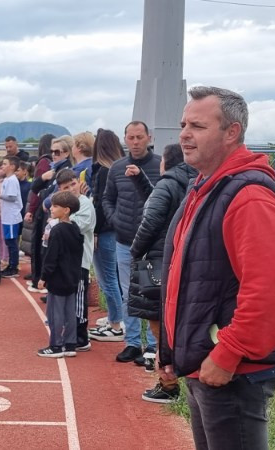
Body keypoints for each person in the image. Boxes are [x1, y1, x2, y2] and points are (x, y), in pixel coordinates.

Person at [157, 86, 275, 449]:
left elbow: (267, 293)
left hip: (232, 370)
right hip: (205, 363)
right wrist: (170, 349)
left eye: (197, 126)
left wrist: (228, 353)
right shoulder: (204, 188)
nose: (184, 134)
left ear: (232, 132)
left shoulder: (249, 197)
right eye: (183, 125)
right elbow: (184, 280)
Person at [127, 143, 197, 401]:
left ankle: (168, 383)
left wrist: (135, 250)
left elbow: (152, 219)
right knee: (177, 322)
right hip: (183, 259)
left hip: (157, 261)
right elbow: (160, 203)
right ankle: (178, 377)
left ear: (166, 162)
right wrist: (141, 181)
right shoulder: (193, 181)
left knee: (158, 323)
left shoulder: (167, 183)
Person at [101, 121, 161, 364]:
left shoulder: (159, 166)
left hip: (150, 244)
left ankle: (153, 345)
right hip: (124, 242)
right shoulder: (117, 168)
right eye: (131, 137)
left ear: (149, 138)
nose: (135, 142)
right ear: (125, 139)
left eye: (139, 137)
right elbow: (107, 199)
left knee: (150, 293)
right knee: (128, 293)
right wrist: (115, 220)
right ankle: (133, 343)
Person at [88, 129, 126, 342]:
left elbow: (102, 204)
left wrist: (94, 230)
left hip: (104, 231)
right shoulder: (118, 168)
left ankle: (116, 324)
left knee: (107, 278)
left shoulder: (103, 171)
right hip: (115, 229)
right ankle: (115, 317)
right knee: (111, 277)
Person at [37, 190, 84, 358]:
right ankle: (70, 344)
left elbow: (51, 257)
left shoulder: (56, 231)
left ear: (66, 210)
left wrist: (43, 277)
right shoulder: (75, 228)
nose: (51, 208)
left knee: (55, 314)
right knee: (70, 312)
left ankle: (55, 346)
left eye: (55, 206)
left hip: (57, 278)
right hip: (72, 277)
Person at [54, 169, 95, 352]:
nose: (71, 189)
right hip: (66, 261)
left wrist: (61, 219)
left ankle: (81, 336)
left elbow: (74, 227)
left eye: (73, 184)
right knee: (69, 298)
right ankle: (70, 332)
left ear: (79, 182)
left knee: (78, 299)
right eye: (66, 187)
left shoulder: (85, 204)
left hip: (80, 261)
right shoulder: (63, 207)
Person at [23, 133, 55, 292]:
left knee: (38, 243)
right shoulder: (51, 163)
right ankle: (38, 276)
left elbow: (36, 189)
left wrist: (31, 210)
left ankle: (38, 279)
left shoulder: (43, 162)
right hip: (46, 206)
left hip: (42, 208)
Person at [0, 156, 23, 278]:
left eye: (5, 164)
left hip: (11, 217)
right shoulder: (7, 180)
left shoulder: (12, 180)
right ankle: (11, 265)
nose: (2, 166)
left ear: (12, 167)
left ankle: (13, 267)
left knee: (11, 242)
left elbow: (12, 197)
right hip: (7, 215)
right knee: (8, 241)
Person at [71, 131, 95, 196]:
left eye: (73, 145)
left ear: (79, 148)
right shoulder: (95, 164)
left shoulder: (78, 170)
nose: (71, 148)